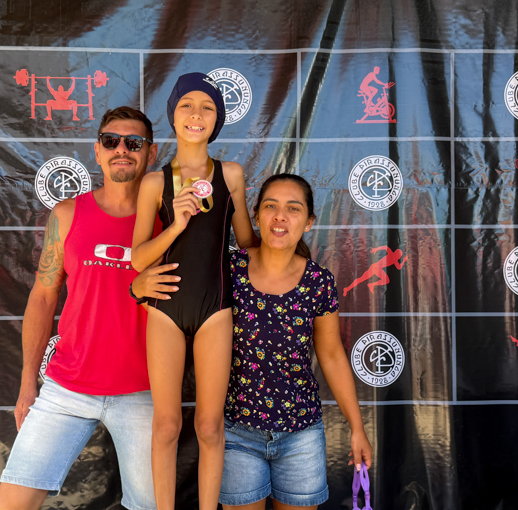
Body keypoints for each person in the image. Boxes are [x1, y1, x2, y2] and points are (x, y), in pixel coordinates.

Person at [134, 173, 373, 510]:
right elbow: (177, 303)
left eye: (293, 209)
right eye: (271, 207)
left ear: (309, 222)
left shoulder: (319, 281)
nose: (280, 217)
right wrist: (137, 288)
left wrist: (357, 428)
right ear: (256, 216)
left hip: (301, 434)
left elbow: (332, 355)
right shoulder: (227, 271)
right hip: (237, 433)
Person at [0, 107, 159, 510]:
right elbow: (43, 297)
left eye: (134, 142)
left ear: (151, 153)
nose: (122, 150)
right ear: (98, 151)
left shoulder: (169, 221)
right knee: (11, 504)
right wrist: (27, 384)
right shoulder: (68, 214)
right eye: (111, 141)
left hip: (145, 390)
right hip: (67, 386)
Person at [131, 73, 256, 510]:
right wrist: (176, 225)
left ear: (217, 119)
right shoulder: (154, 183)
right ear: (173, 116)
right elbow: (138, 258)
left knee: (209, 425)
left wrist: (286, 248)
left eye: (207, 106)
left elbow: (248, 243)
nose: (196, 114)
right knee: (166, 425)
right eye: (186, 105)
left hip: (216, 309)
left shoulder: (231, 174)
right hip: (165, 308)